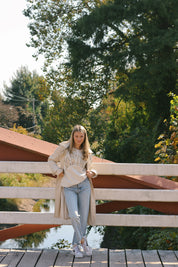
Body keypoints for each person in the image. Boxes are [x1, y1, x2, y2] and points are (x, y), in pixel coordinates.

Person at [48, 125, 97, 257]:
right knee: (74, 215)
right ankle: (83, 241)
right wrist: (58, 171)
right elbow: (51, 160)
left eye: (81, 136)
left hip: (84, 185)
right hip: (68, 186)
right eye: (76, 136)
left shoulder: (87, 151)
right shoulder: (64, 148)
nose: (79, 139)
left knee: (83, 217)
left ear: (85, 137)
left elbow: (91, 169)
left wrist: (93, 172)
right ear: (72, 136)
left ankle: (76, 246)